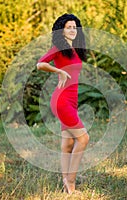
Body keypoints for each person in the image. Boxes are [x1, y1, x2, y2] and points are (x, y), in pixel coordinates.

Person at [36, 13, 89, 194]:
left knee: (67, 144)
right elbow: (40, 64)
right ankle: (71, 184)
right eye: (69, 27)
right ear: (62, 30)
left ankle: (66, 180)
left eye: (75, 27)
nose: (73, 30)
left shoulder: (74, 50)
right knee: (83, 139)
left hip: (71, 100)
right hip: (62, 100)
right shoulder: (58, 47)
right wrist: (59, 70)